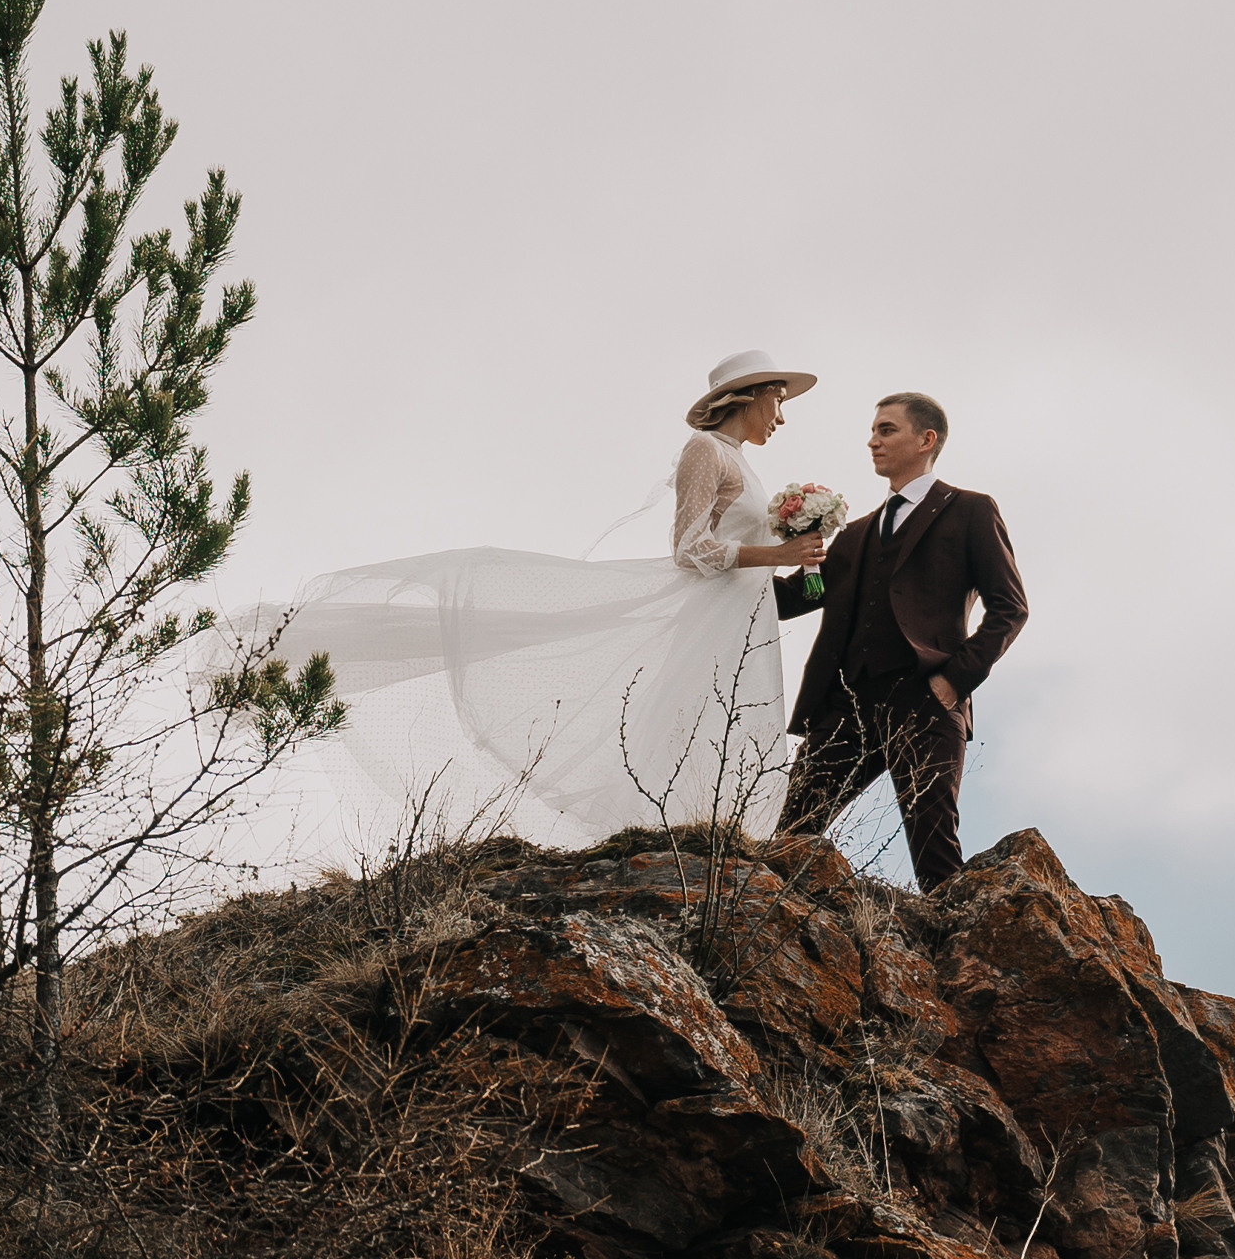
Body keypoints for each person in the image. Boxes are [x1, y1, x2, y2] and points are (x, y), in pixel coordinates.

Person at [270, 350, 825, 848]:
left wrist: (806, 556)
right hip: (711, 615)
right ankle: (673, 832)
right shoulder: (706, 448)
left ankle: (719, 832)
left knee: (733, 715)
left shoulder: (748, 464)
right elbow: (689, 548)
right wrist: (779, 555)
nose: (781, 416)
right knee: (694, 711)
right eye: (778, 399)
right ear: (747, 395)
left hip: (746, 616)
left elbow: (749, 553)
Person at [775, 391, 1029, 889]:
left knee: (934, 853)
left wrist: (953, 681)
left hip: (926, 700)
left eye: (886, 430)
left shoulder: (971, 511)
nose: (873, 441)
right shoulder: (854, 534)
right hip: (845, 704)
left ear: (926, 439)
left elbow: (1010, 608)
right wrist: (747, 564)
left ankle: (949, 957)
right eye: (873, 431)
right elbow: (797, 598)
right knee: (789, 837)